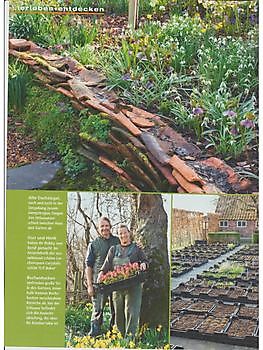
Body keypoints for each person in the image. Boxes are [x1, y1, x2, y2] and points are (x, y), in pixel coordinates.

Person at [98, 224, 148, 338]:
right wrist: (101, 273)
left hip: (133, 286)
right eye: (120, 233)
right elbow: (106, 265)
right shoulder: (113, 249)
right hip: (117, 287)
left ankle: (130, 339)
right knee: (119, 314)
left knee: (132, 312)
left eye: (124, 232)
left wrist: (144, 264)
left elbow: (144, 260)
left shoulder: (136, 248)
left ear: (129, 233)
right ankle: (120, 338)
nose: (123, 235)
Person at [86, 216, 120, 337]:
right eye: (102, 226)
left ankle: (114, 333)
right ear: (98, 229)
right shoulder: (93, 244)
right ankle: (94, 334)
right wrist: (90, 285)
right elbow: (89, 266)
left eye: (106, 225)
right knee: (97, 309)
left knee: (115, 308)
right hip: (99, 282)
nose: (105, 228)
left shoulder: (117, 241)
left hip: (115, 280)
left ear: (110, 227)